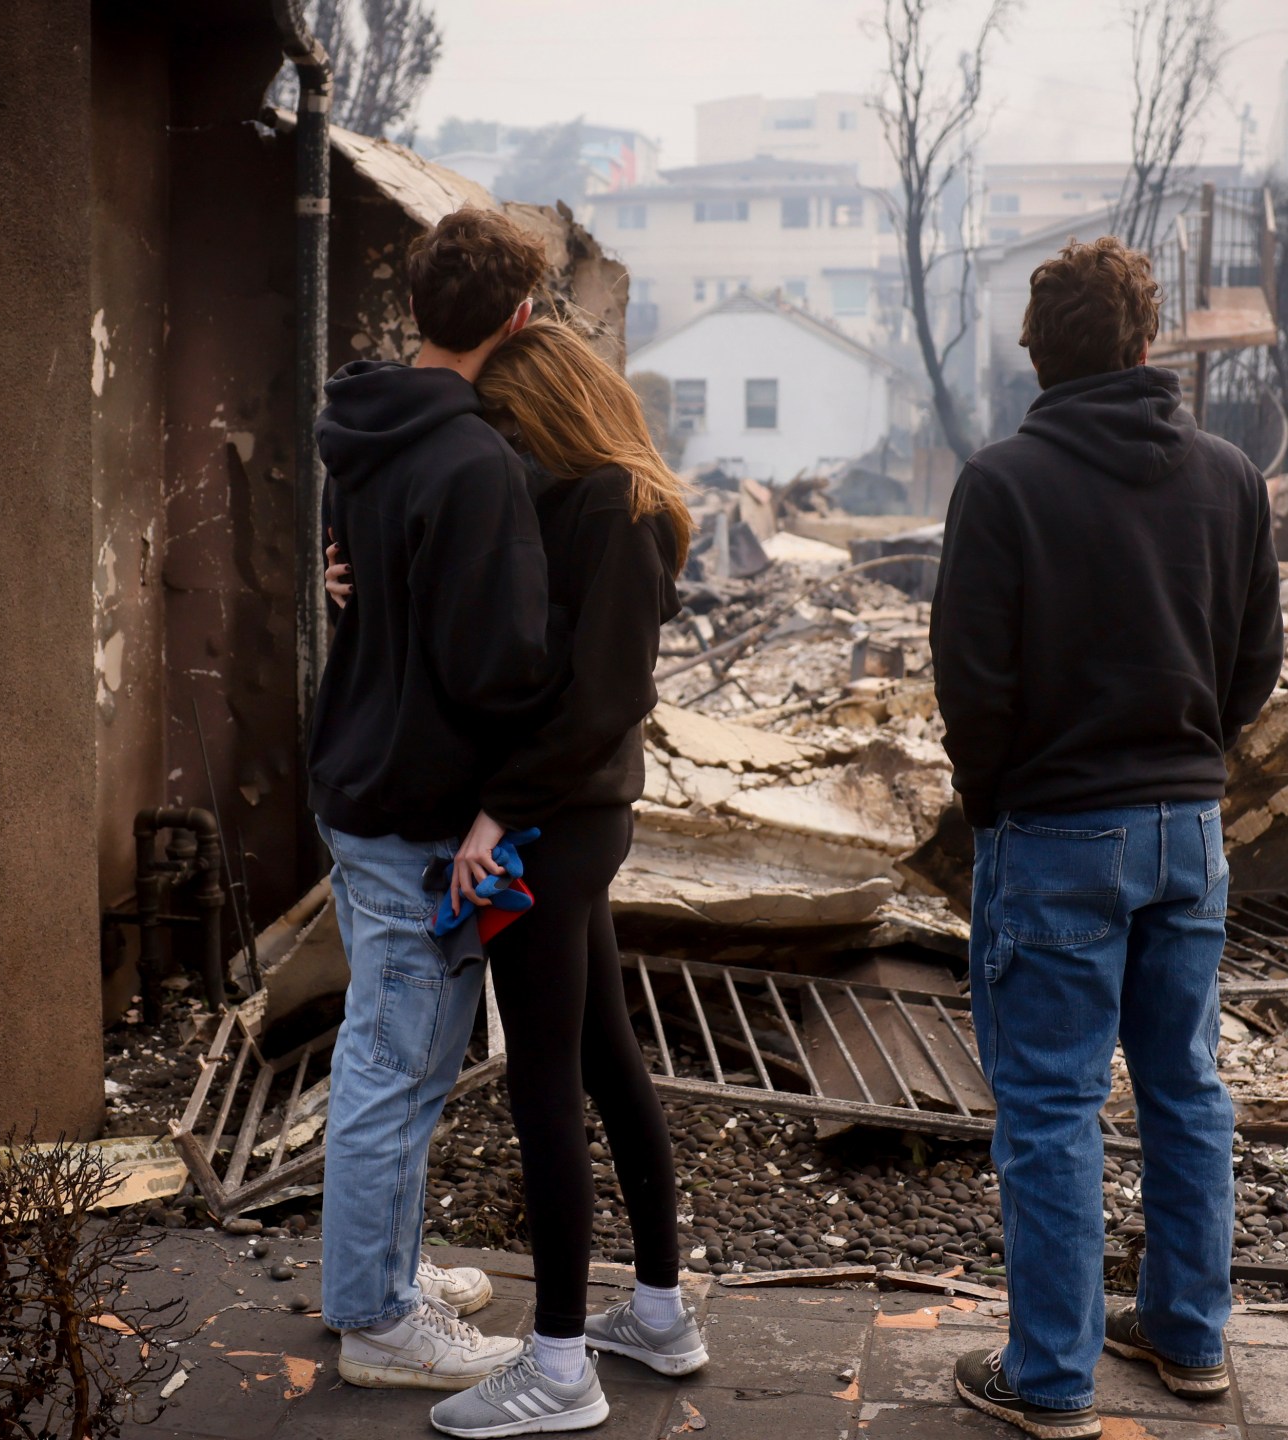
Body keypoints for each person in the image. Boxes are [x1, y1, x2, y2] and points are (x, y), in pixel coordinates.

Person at [930, 237, 1284, 1440]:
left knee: (1049, 1107)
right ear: (1147, 348)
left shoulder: (1003, 481)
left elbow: (969, 682)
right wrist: (1189, 759)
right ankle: (1187, 1338)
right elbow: (1255, 666)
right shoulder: (1229, 478)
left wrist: (995, 804)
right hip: (1188, 832)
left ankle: (1050, 1377)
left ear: (1041, 354)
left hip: (1054, 833)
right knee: (1184, 1088)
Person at [421, 321, 706, 1438]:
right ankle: (658, 1314)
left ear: (540, 405)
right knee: (603, 1057)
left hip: (556, 825)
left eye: (500, 414)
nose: (491, 436)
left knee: (543, 1083)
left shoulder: (611, 509)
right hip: (578, 819)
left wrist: (501, 810)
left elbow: (601, 699)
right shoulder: (585, 499)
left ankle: (555, 1367)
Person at [308, 206, 557, 1392]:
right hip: (417, 810)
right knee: (395, 1068)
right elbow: (498, 666)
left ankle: (387, 1272)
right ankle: (375, 1321)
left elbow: (363, 593)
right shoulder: (475, 464)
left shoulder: (358, 425)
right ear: (517, 320)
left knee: (387, 1052)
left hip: (355, 781)